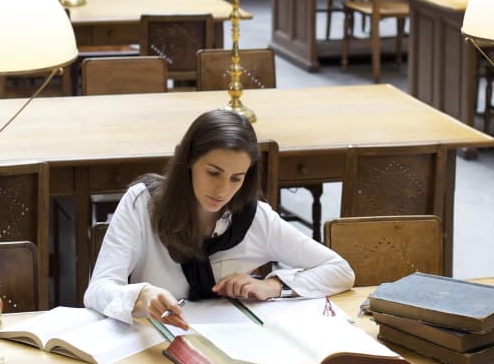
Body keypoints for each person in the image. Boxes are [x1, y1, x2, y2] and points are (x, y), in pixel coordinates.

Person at [84, 109, 355, 329]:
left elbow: (339, 270)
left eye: (236, 178)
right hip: (153, 349)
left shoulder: (254, 218)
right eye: (213, 173)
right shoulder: (142, 204)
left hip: (232, 347)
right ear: (188, 160)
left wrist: (272, 286)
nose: (223, 190)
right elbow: (97, 290)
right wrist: (141, 296)